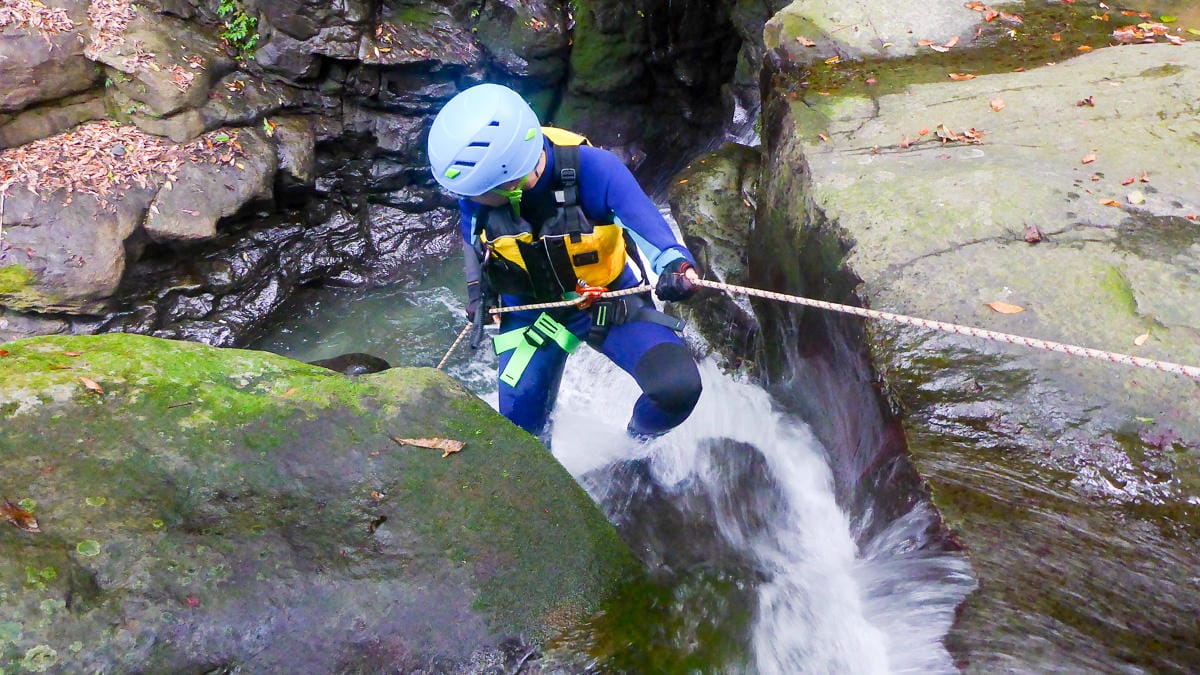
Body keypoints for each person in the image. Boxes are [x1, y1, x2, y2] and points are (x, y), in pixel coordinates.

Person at [427, 83, 703, 442]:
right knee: (521, 436)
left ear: (509, 182)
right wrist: (479, 292)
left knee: (677, 389)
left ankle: (635, 448)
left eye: (475, 193)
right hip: (530, 313)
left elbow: (652, 231)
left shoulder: (593, 170)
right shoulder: (478, 191)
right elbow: (473, 239)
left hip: (608, 301)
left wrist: (676, 266)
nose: (466, 199)